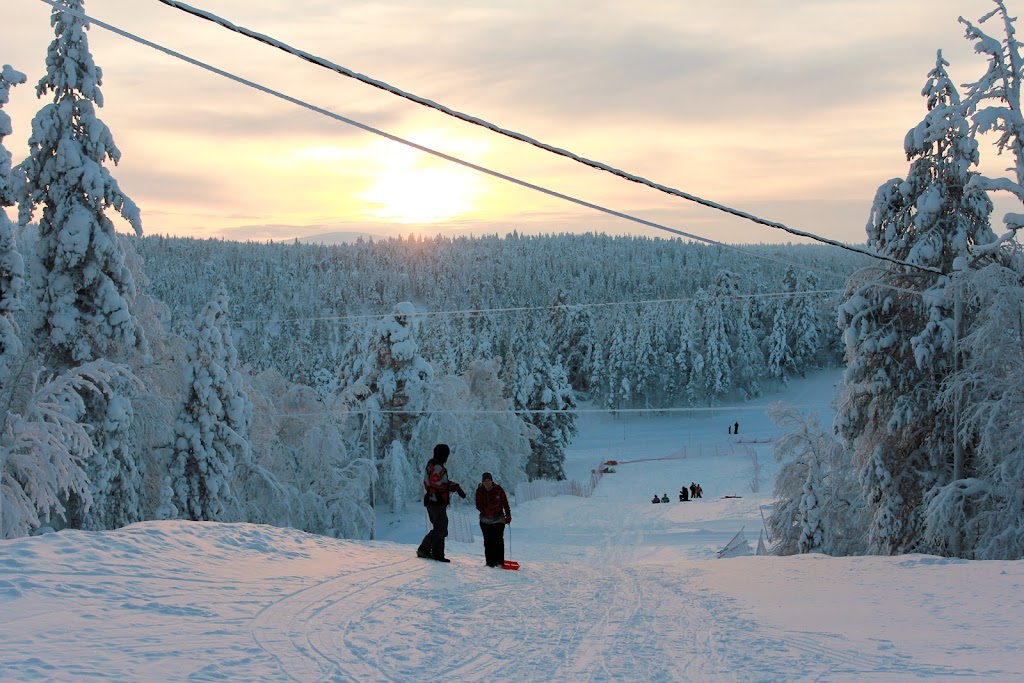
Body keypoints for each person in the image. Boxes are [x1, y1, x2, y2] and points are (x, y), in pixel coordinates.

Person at [416, 444, 466, 562]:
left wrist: (453, 486)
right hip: (436, 501)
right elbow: (435, 482)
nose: (447, 457)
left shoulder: (432, 465)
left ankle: (438, 554)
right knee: (441, 528)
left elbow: (435, 481)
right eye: (446, 455)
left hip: (433, 500)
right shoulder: (437, 466)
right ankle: (424, 549)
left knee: (440, 526)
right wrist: (451, 486)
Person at [475, 472, 512, 567]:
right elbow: (478, 505)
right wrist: (485, 509)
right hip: (484, 520)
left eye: (489, 480)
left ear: (492, 481)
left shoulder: (498, 490)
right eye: (485, 481)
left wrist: (508, 515)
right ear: (482, 482)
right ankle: (490, 562)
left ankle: (499, 562)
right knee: (488, 541)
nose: (487, 483)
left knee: (498, 540)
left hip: (498, 518)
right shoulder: (479, 491)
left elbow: (505, 503)